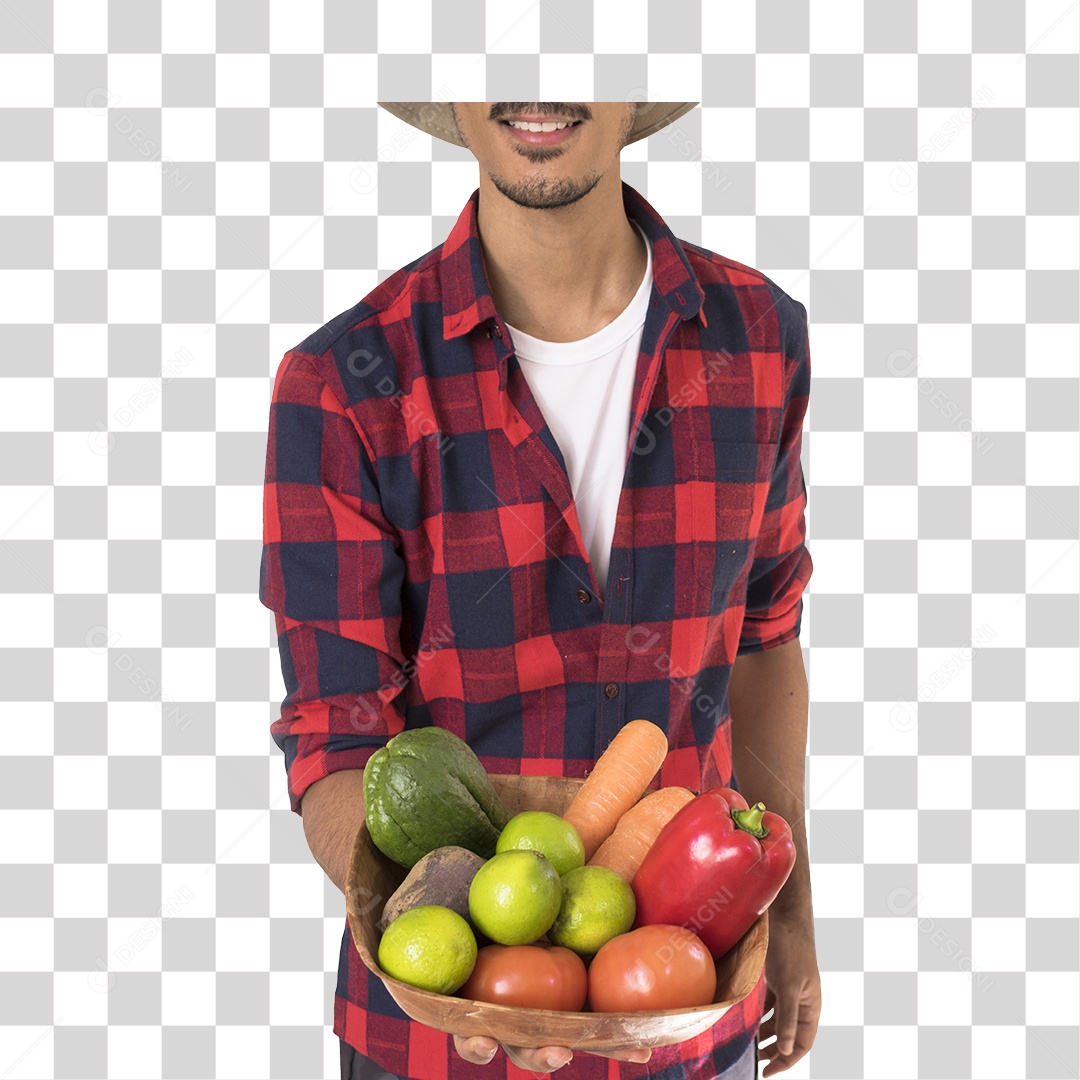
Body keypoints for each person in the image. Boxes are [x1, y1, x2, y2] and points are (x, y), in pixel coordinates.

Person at [259, 100, 821, 1080]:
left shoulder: (761, 338)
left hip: (690, 1015)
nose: (539, 81)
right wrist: (441, 955)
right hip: (433, 1045)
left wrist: (796, 911)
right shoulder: (343, 385)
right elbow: (338, 731)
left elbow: (764, 643)